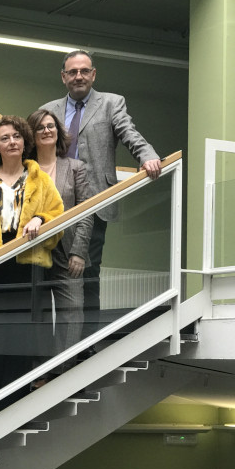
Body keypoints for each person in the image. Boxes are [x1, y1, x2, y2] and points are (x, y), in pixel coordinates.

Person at [40, 50, 161, 342]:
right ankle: (45, 351)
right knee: (45, 277)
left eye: (84, 71)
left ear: (93, 74)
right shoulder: (48, 110)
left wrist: (147, 156)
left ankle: (86, 347)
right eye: (72, 72)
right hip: (50, 205)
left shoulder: (111, 103)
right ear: (63, 77)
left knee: (87, 275)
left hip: (94, 202)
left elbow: (129, 133)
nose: (78, 76)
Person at [0, 115, 64, 415]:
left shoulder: (40, 179)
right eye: (4, 138)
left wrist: (40, 219)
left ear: (25, 141)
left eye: (17, 136)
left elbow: (57, 212)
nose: (11, 142)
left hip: (26, 264)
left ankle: (16, 410)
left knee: (21, 339)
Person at [27, 108, 93, 365]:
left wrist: (79, 252)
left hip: (68, 251)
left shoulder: (76, 168)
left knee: (73, 311)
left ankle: (64, 370)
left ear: (58, 131)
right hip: (33, 253)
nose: (46, 130)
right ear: (32, 135)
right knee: (38, 315)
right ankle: (40, 373)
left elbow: (86, 212)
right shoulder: (24, 170)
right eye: (40, 127)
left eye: (51, 126)